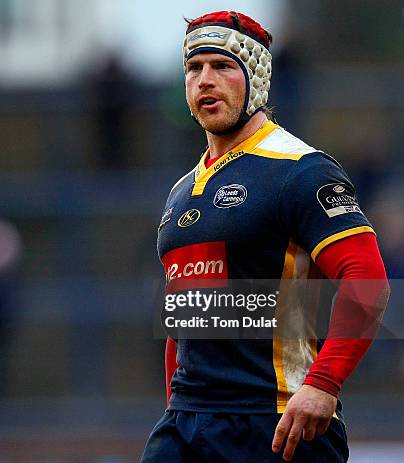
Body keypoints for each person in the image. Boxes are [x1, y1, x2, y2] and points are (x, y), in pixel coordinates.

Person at [141, 11, 390, 463]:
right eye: (193, 69)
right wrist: (173, 404)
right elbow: (185, 318)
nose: (205, 80)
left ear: (255, 76)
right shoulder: (180, 192)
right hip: (185, 424)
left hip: (276, 424)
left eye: (221, 66)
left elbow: (368, 282)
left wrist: (323, 384)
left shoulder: (302, 169)